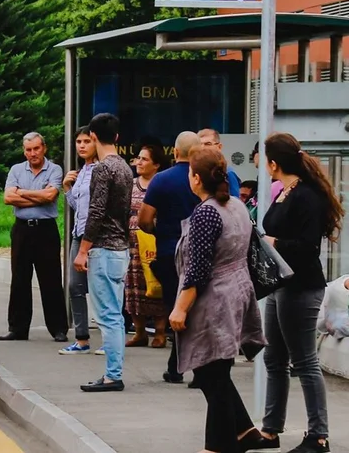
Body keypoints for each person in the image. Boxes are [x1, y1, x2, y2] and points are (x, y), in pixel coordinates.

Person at [169, 146, 268, 453]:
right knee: (214, 371)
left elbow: (197, 270)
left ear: (196, 178)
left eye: (189, 172)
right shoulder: (236, 205)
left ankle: (218, 446)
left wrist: (180, 309)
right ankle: (244, 432)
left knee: (212, 373)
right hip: (238, 293)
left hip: (214, 300)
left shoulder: (207, 213)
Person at [255, 133, 344, 453]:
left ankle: (318, 436)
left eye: (264, 158)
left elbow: (308, 248)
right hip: (280, 285)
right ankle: (270, 430)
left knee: (304, 361)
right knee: (274, 358)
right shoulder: (284, 192)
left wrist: (275, 243)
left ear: (274, 163)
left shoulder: (306, 196)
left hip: (302, 287)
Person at [73, 113, 132, 392]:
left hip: (103, 250)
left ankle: (112, 375)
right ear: (118, 137)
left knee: (107, 316)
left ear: (93, 137)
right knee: (116, 316)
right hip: (121, 249)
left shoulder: (101, 169)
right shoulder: (125, 168)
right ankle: (114, 371)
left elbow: (95, 213)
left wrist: (83, 250)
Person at [139, 130, 202, 384]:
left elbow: (144, 220)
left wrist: (159, 229)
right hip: (201, 252)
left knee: (176, 308)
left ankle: (176, 366)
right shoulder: (204, 178)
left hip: (168, 251)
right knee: (197, 309)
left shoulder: (161, 180)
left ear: (175, 152)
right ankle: (197, 368)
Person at [0, 132, 68, 343]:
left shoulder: (55, 169)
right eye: (28, 150)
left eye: (36, 149)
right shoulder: (16, 170)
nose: (32, 154)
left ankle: (58, 329)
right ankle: (18, 329)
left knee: (51, 279)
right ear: (24, 151)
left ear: (44, 148)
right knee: (19, 279)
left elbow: (50, 196)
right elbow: (7, 198)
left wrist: (21, 192)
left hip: (45, 230)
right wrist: (37, 197)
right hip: (21, 230)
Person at [61, 127, 98, 354]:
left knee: (102, 289)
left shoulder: (100, 170)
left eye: (86, 141)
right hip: (79, 233)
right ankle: (82, 338)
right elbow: (79, 207)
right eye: (78, 141)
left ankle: (111, 341)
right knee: (75, 286)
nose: (82, 145)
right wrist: (67, 188)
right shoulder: (82, 171)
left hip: (97, 236)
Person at [127, 141, 168, 348]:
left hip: (154, 243)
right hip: (133, 246)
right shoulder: (130, 184)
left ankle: (160, 332)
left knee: (156, 286)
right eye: (138, 158)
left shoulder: (161, 185)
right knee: (134, 288)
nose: (139, 163)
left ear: (156, 164)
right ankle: (139, 331)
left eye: (144, 159)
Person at [198, 128, 242, 192]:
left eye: (207, 144)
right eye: (199, 144)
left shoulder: (228, 173)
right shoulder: (195, 171)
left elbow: (234, 199)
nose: (202, 148)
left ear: (219, 147)